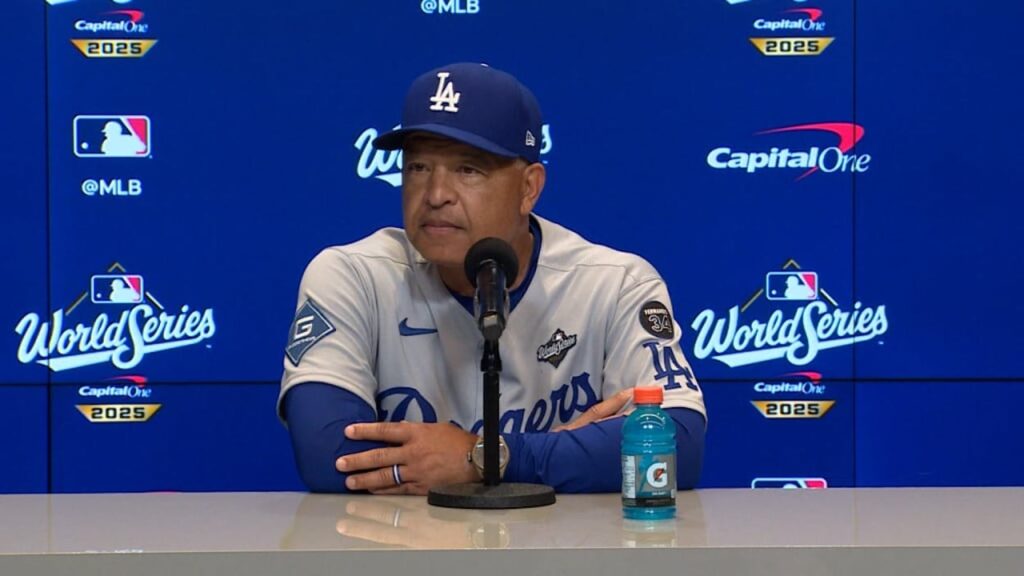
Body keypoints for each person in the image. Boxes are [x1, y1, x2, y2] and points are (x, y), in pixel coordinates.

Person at [279, 62, 706, 494]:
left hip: (562, 555)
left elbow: (675, 448)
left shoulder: (616, 284)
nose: (436, 194)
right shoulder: (353, 275)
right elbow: (328, 456)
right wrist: (567, 453)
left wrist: (487, 456)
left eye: (468, 169)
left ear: (529, 188)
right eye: (418, 167)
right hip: (406, 556)